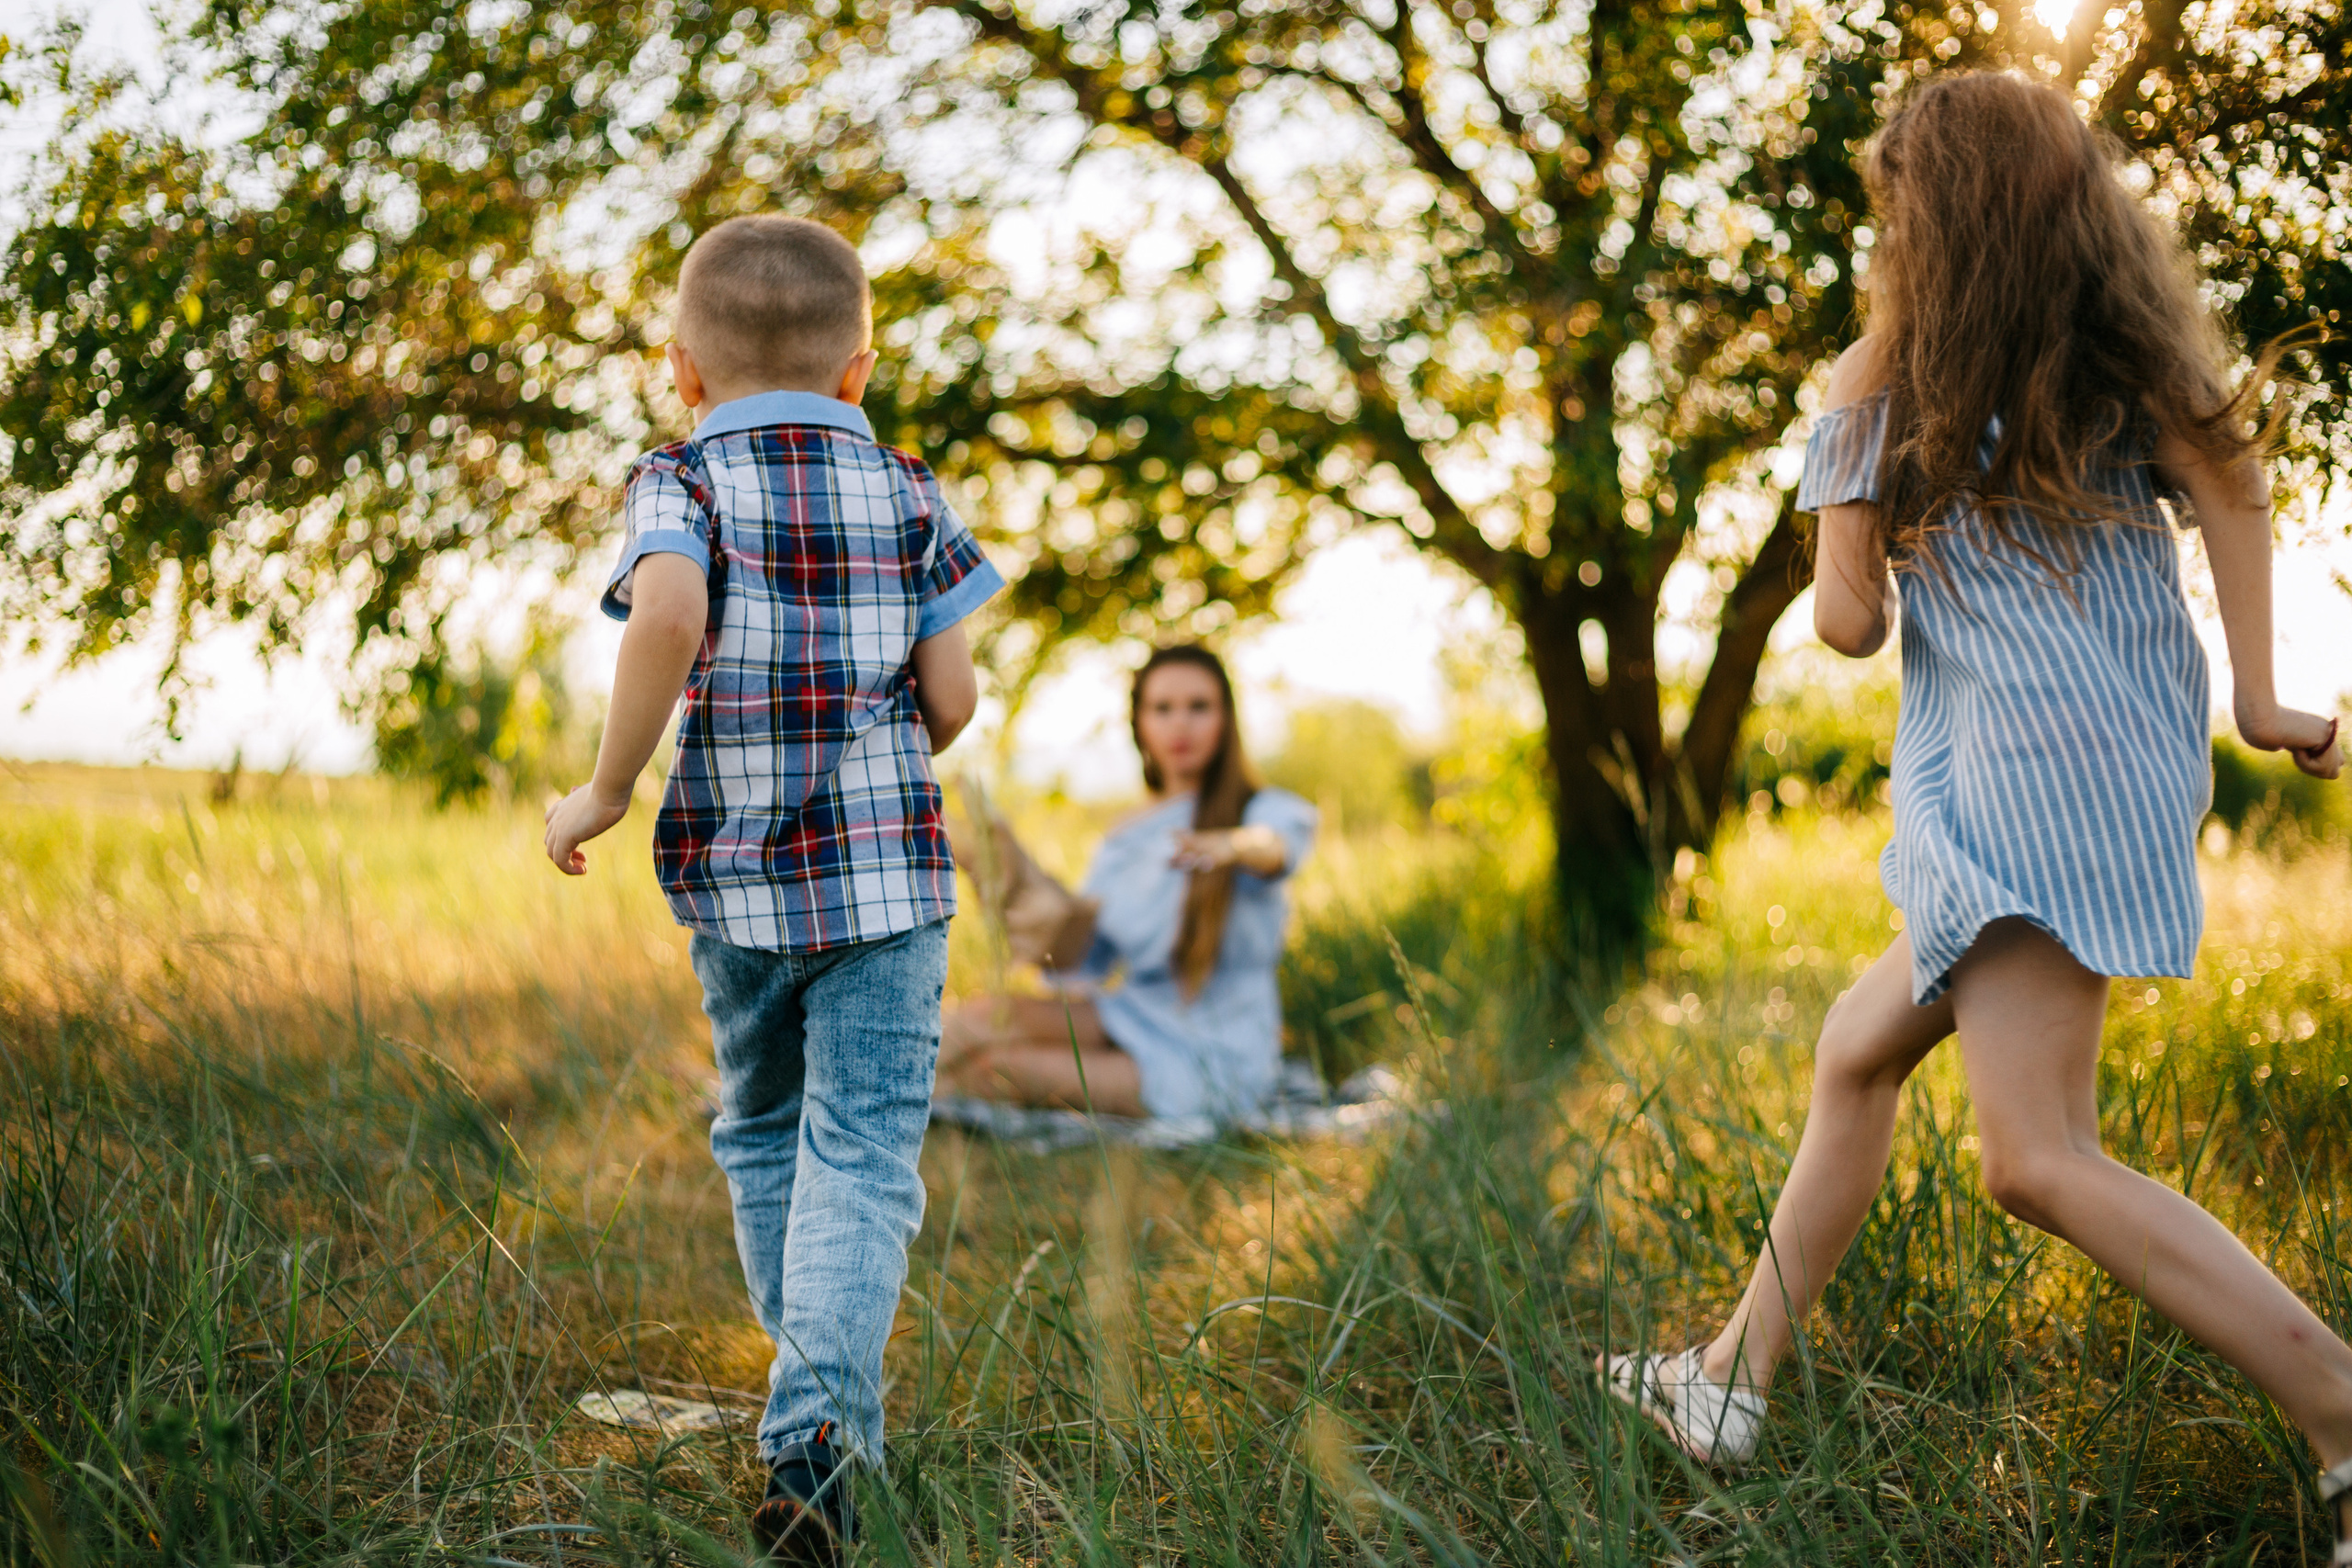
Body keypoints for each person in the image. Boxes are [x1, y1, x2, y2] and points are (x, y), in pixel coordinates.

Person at [1596, 70, 2350, 1549]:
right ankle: (1730, 1382)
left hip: (2015, 788)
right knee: (1855, 1049)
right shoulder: (2124, 355)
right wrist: (2260, 700)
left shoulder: (1886, 381)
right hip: (2120, 767)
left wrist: (1857, 444)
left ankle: (2340, 1411)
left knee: (2034, 1155)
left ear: (1920, 226)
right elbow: (2240, 487)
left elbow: (1847, 625)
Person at [541, 214, 1002, 1565]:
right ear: (861, 369)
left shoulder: (677, 479)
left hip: (736, 884)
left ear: (683, 369)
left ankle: (803, 1403)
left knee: (759, 1125)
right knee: (863, 1153)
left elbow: (668, 614)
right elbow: (954, 692)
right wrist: (884, 761)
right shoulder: (912, 489)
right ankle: (815, 1440)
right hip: (888, 888)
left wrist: (610, 785)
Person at [937, 644, 1317, 1122]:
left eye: (1199, 707)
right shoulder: (1124, 839)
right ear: (1140, 724)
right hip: (1135, 1014)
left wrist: (1232, 846)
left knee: (997, 1070)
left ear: (1226, 719)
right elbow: (1082, 960)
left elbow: (1276, 845)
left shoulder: (1259, 810)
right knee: (984, 1016)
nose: (1180, 724)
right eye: (1163, 709)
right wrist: (1004, 875)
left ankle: (875, 1131)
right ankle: (846, 1105)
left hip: (1217, 1055)